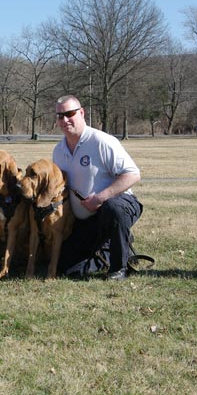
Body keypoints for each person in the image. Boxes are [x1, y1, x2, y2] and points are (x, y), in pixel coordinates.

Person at [52, 95, 143, 280]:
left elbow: (132, 174)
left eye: (70, 114)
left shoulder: (101, 141)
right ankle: (109, 250)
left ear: (82, 113)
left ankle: (119, 267)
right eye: (60, 116)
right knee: (68, 269)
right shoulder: (58, 151)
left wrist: (100, 198)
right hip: (85, 220)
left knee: (113, 208)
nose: (65, 120)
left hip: (116, 207)